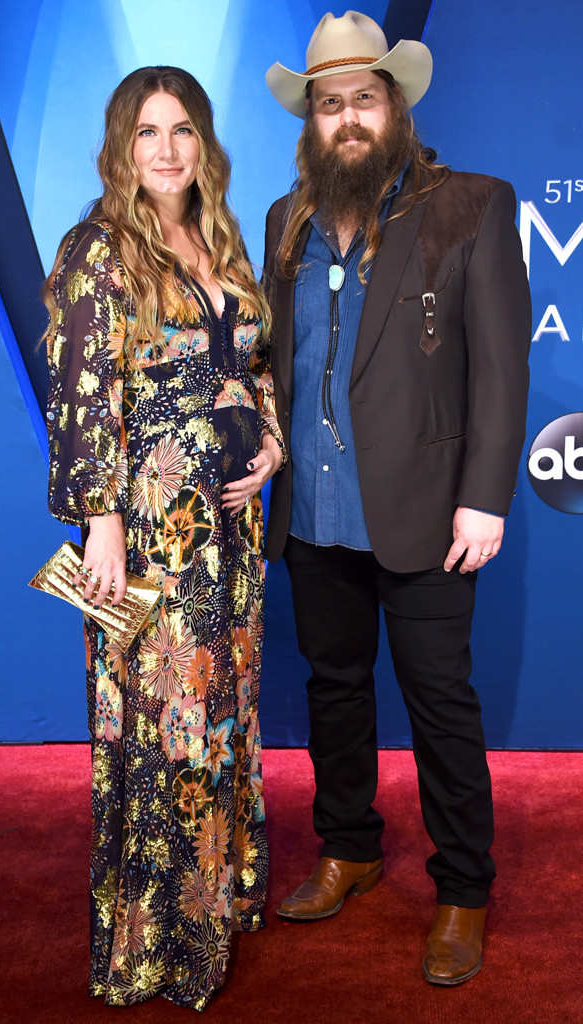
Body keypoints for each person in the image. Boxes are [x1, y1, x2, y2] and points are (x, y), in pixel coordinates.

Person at [263, 11, 531, 985]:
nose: (346, 118)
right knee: (333, 691)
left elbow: (503, 368)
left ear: (396, 105)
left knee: (439, 704)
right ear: (311, 122)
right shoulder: (283, 218)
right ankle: (350, 847)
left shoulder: (470, 205)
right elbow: (278, 365)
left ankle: (462, 888)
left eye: (362, 99)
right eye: (327, 104)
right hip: (315, 511)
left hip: (427, 511)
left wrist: (485, 498)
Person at [43, 66, 284, 1010]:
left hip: (235, 530)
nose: (167, 149)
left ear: (205, 141)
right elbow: (79, 392)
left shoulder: (219, 237)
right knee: (165, 727)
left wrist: (268, 443)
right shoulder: (96, 248)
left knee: (225, 713)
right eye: (147, 132)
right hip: (152, 537)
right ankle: (162, 944)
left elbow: (253, 365)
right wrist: (100, 524)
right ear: (120, 146)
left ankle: (220, 898)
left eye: (182, 129)